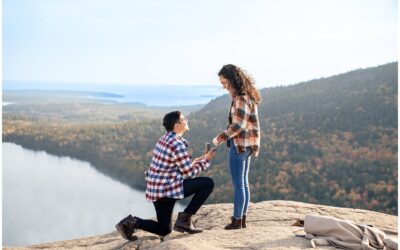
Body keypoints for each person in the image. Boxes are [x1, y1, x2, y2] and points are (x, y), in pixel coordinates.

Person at [116, 111, 217, 241]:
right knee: (207, 183)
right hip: (167, 189)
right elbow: (190, 174)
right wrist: (206, 160)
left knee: (164, 229)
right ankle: (184, 220)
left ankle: (131, 223)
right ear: (177, 125)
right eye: (184, 119)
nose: (187, 120)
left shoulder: (164, 139)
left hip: (157, 190)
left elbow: (174, 168)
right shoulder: (177, 144)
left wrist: (196, 162)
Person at [212, 64, 261, 230]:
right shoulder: (247, 96)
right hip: (248, 145)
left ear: (233, 80)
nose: (224, 87)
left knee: (239, 185)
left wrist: (221, 137)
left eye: (225, 83)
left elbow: (238, 125)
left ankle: (236, 220)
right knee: (244, 184)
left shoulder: (240, 98)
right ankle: (242, 219)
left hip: (239, 145)